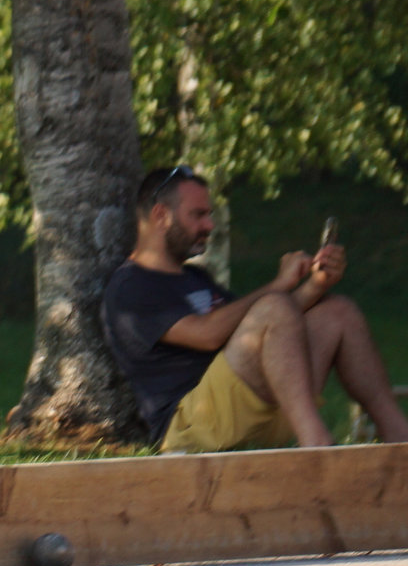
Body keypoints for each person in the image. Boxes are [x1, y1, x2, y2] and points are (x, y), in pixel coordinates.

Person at [104, 167, 405, 452]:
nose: (209, 225)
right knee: (273, 307)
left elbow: (264, 327)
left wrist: (316, 285)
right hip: (196, 424)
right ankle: (317, 447)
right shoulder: (131, 286)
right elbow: (207, 335)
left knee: (339, 312)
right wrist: (278, 285)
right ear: (161, 215)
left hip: (256, 406)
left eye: (209, 215)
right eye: (198, 215)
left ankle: (400, 440)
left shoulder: (195, 278)